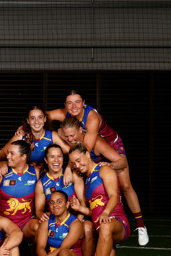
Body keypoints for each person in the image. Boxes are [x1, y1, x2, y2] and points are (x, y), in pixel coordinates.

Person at [48, 90, 148, 245]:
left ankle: (141, 225)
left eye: (77, 102)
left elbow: (84, 150)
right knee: (85, 183)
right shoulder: (66, 118)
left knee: (126, 185)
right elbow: (43, 115)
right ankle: (89, 222)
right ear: (65, 105)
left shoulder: (91, 119)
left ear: (84, 103)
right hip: (86, 151)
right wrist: (25, 127)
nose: (73, 106)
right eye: (69, 103)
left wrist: (107, 165)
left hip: (107, 145)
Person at [67, 143, 156, 256]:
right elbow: (95, 212)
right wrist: (80, 209)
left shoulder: (104, 170)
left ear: (88, 155)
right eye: (73, 163)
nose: (77, 165)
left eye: (79, 160)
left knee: (106, 226)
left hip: (117, 223)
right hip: (102, 231)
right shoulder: (87, 181)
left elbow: (114, 196)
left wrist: (106, 212)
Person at [34, 144, 95, 256]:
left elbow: (83, 203)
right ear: (46, 160)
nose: (56, 160)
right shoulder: (41, 184)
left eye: (59, 156)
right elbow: (38, 210)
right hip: (55, 222)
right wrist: (43, 216)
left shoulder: (74, 175)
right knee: (39, 227)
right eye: (52, 157)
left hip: (77, 219)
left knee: (87, 227)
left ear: (63, 159)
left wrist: (75, 223)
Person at [26, 191, 92, 256]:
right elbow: (40, 247)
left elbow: (63, 248)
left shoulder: (75, 223)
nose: (55, 205)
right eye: (52, 202)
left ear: (67, 204)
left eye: (59, 201)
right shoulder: (46, 222)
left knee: (63, 252)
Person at [0, 140, 40, 242]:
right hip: (6, 224)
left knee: (40, 228)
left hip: (26, 223)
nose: (7, 156)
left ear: (23, 157)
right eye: (8, 153)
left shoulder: (35, 172)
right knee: (12, 240)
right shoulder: (1, 173)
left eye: (12, 153)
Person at [0, 106, 69, 171]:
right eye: (32, 118)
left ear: (44, 119)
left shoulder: (52, 135)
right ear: (28, 121)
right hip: (26, 176)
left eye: (40, 117)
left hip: (45, 176)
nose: (36, 121)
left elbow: (70, 151)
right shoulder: (21, 135)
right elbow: (4, 152)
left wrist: (68, 168)